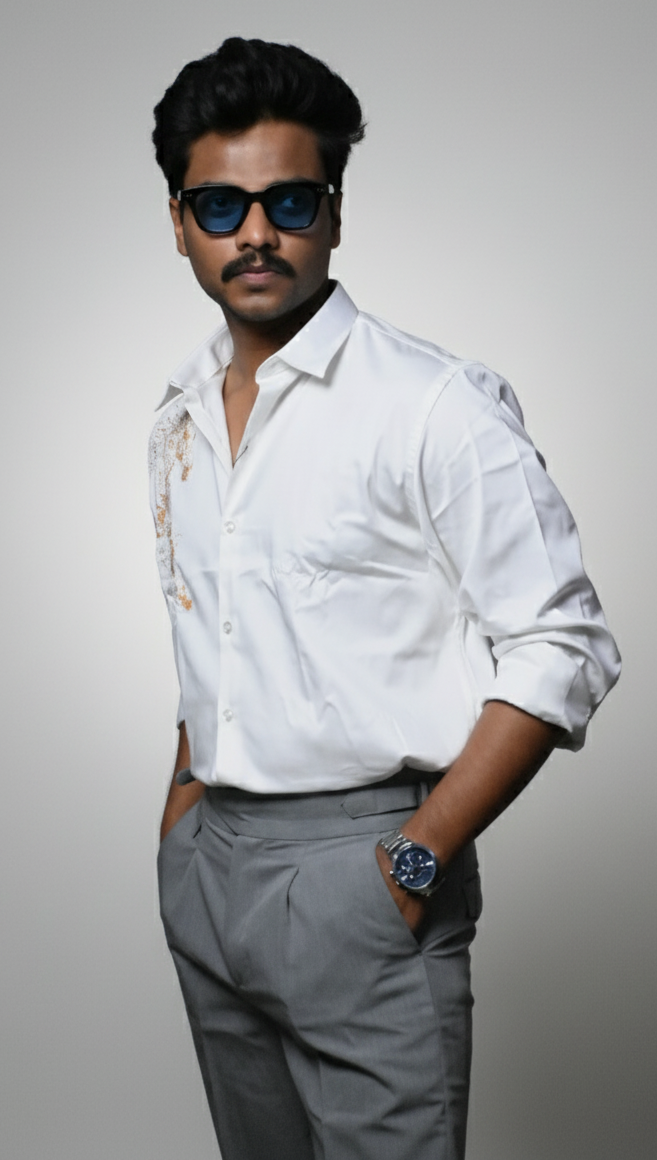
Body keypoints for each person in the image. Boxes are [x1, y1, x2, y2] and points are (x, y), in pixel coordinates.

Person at [149, 37, 620, 1160]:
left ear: (334, 212)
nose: (254, 233)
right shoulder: (176, 416)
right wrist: (180, 823)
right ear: (179, 221)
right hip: (212, 865)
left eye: (288, 201)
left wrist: (415, 859)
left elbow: (563, 643)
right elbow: (219, 636)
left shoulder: (432, 404)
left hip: (364, 866)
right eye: (219, 205)